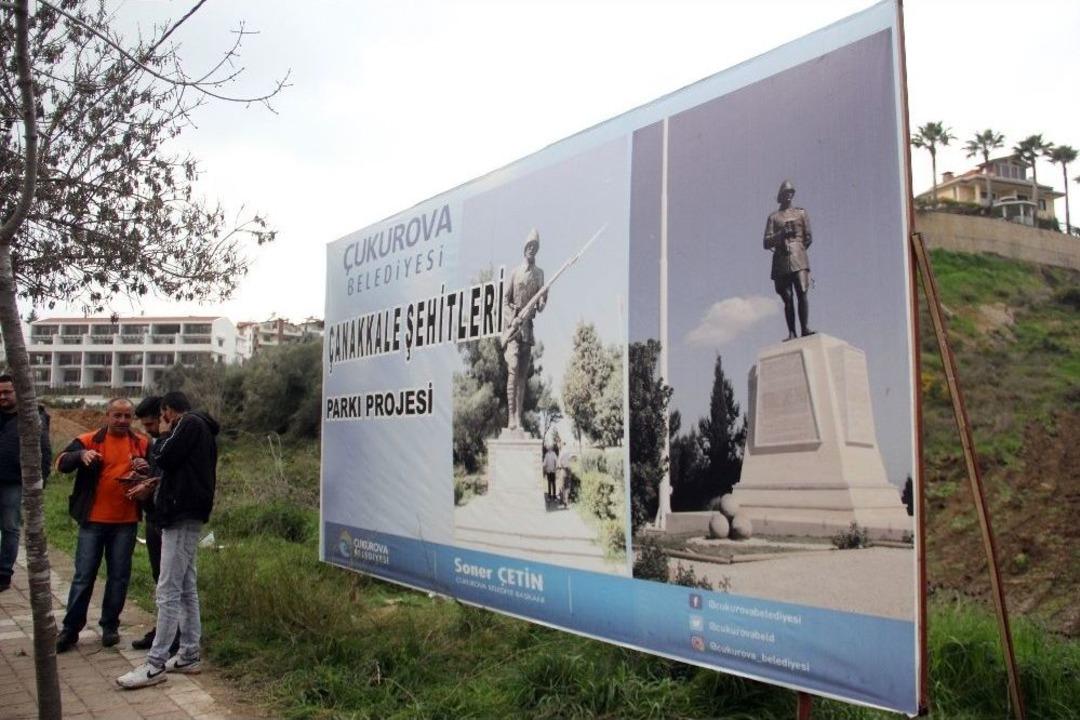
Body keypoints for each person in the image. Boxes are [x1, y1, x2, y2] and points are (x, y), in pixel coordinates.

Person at [118, 391, 219, 689]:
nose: (161, 425)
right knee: (186, 586)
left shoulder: (187, 424)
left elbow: (164, 455)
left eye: (161, 419)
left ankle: (155, 663)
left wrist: (162, 437)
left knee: (168, 589)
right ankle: (188, 654)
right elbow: (178, 468)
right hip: (187, 511)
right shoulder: (199, 428)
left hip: (180, 513)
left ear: (168, 412)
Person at [55, 398, 149, 652]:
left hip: (126, 522)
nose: (121, 421)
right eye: (116, 415)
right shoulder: (88, 440)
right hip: (93, 521)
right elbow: (61, 462)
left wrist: (145, 469)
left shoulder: (141, 443)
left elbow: (156, 476)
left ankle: (110, 626)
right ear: (107, 416)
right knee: (84, 576)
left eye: (127, 416)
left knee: (119, 576)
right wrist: (80, 455)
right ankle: (70, 629)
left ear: (132, 419)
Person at [128, 396, 180, 655]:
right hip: (154, 515)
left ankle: (173, 635)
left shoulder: (175, 441)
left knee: (170, 579)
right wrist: (144, 474)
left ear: (164, 416)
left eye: (151, 424)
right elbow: (158, 474)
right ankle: (164, 629)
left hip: (168, 518)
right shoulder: (157, 443)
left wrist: (150, 485)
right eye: (144, 426)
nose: (147, 430)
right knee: (159, 577)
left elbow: (172, 478)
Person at [0, 374, 52, 592]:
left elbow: (44, 451)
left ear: (18, 392)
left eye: (7, 392)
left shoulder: (33, 418)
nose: (2, 396)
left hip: (14, 482)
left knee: (10, 527)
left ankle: (3, 573)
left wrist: (42, 480)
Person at [503, 229, 546, 432]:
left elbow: (541, 306)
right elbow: (505, 300)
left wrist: (544, 298)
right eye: (529, 245)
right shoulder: (514, 272)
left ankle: (518, 419)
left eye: (534, 247)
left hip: (528, 329)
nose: (531, 249)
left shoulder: (539, 274)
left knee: (521, 376)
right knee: (512, 371)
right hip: (514, 328)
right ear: (524, 248)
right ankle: (510, 417)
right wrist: (511, 319)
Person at [763, 179, 815, 341]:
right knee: (787, 297)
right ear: (780, 195)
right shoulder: (774, 217)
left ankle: (804, 328)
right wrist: (781, 235)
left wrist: (796, 247)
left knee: (802, 291)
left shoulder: (801, 213)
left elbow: (808, 237)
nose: (788, 196)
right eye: (785, 193)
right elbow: (766, 242)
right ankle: (792, 332)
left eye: (790, 193)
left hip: (798, 255)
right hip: (781, 258)